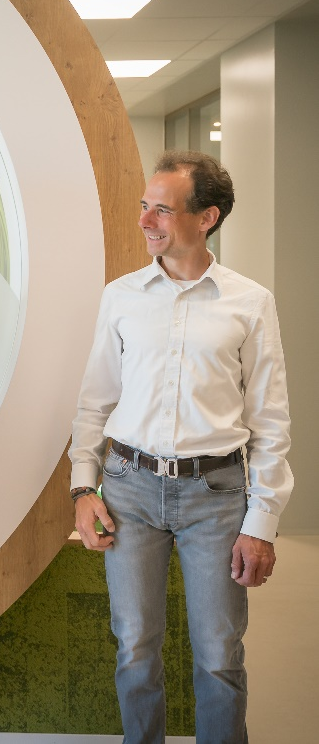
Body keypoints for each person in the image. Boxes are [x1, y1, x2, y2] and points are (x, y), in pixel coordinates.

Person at [70, 151, 292, 744]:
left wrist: (262, 522)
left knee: (219, 654)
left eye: (162, 210)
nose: (146, 220)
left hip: (216, 495)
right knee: (134, 646)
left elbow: (270, 422)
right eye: (145, 206)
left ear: (207, 217)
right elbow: (95, 402)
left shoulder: (250, 302)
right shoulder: (121, 296)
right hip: (129, 490)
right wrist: (83, 487)